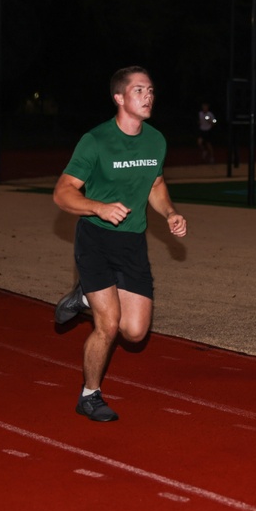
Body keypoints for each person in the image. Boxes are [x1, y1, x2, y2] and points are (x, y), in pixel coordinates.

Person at [52, 66, 187, 423]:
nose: (148, 96)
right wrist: (98, 207)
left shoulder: (156, 140)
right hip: (95, 238)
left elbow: (155, 185)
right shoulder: (95, 140)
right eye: (139, 90)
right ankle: (89, 395)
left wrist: (169, 212)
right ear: (119, 98)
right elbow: (63, 193)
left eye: (151, 90)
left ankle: (82, 295)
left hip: (132, 242)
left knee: (135, 331)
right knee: (109, 324)